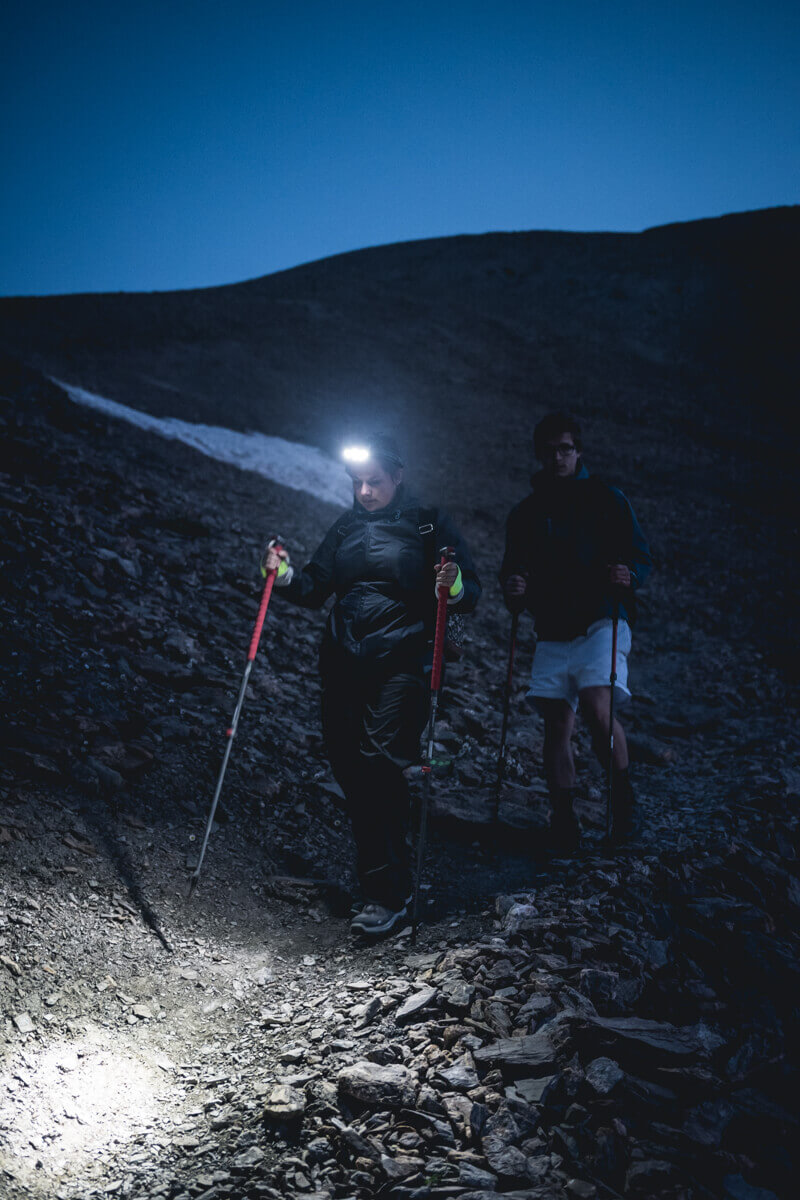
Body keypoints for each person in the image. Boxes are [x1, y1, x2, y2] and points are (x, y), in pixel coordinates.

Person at [263, 434, 481, 935]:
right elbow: (317, 585)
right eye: (357, 482)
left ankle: (387, 894)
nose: (364, 491)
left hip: (403, 664)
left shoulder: (427, 524)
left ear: (397, 477)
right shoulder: (346, 527)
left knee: (379, 763)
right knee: (349, 766)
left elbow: (469, 590)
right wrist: (284, 575)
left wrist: (454, 583)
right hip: (342, 662)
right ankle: (385, 877)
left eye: (374, 482)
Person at [499, 412, 652, 848]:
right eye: (549, 450)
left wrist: (630, 575)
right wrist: (515, 587)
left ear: (578, 451)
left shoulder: (606, 498)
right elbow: (513, 570)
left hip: (602, 615)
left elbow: (639, 554)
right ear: (539, 454)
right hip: (552, 625)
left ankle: (624, 807)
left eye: (564, 448)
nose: (557, 457)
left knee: (595, 704)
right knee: (556, 724)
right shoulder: (527, 513)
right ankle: (564, 820)